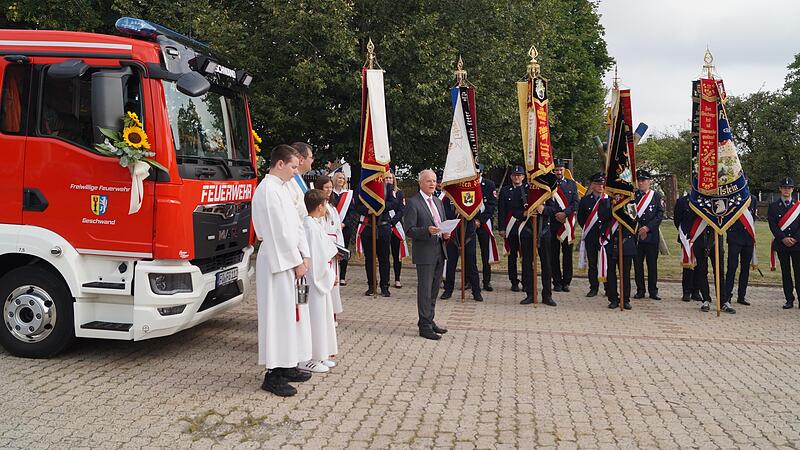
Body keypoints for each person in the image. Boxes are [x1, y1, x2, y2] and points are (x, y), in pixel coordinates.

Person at [252, 144, 313, 397]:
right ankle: (273, 374)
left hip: (289, 258)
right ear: (279, 164)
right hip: (277, 260)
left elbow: (295, 225)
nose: (295, 172)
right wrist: (295, 260)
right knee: (277, 317)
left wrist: (305, 253)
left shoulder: (283, 189)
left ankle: (287, 364)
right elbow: (277, 232)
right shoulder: (267, 191)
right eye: (293, 167)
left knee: (290, 315)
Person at [403, 169, 451, 340]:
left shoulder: (438, 202)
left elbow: (442, 224)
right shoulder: (413, 203)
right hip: (424, 252)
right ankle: (424, 326)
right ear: (420, 183)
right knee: (424, 289)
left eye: (434, 181)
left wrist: (445, 233)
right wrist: (427, 231)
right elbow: (409, 230)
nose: (432, 184)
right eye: (428, 181)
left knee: (434, 288)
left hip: (439, 250)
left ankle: (429, 320)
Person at [300, 189, 339, 374]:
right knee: (313, 319)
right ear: (319, 206)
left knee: (322, 318)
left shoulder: (314, 224)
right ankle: (309, 358)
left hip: (321, 278)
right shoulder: (309, 227)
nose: (327, 208)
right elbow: (315, 258)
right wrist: (328, 275)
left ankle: (321, 354)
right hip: (313, 282)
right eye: (325, 204)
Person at [354, 179, 403, 297]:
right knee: (369, 258)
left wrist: (379, 207)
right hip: (367, 226)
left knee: (384, 258)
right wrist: (368, 210)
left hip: (383, 226)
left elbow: (394, 203)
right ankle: (371, 286)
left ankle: (384, 286)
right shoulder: (362, 186)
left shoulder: (388, 187)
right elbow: (357, 205)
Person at [685, 208, 735, 313]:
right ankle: (706, 299)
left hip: (715, 235)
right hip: (700, 236)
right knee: (702, 270)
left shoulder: (719, 197)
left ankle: (723, 301)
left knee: (719, 271)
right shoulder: (696, 199)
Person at [441, 196, 484, 302]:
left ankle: (476, 292)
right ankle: (448, 290)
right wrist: (456, 212)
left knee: (471, 265)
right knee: (451, 265)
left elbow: (477, 214)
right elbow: (444, 215)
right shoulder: (448, 197)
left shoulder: (469, 195)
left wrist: (476, 219)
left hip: (468, 236)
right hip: (453, 236)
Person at [519, 193, 558, 306]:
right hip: (527, 231)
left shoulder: (546, 192)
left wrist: (544, 209)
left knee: (546, 264)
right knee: (527, 263)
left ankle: (547, 295)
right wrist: (524, 213)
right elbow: (514, 210)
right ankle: (530, 294)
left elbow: (554, 210)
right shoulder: (523, 190)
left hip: (543, 232)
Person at [314, 175, 345, 317]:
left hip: (334, 247)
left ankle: (333, 313)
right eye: (326, 187)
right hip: (324, 250)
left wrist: (340, 248)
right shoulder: (318, 208)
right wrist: (330, 250)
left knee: (334, 282)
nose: (328, 190)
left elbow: (338, 229)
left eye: (330, 187)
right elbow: (319, 232)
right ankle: (325, 314)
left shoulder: (332, 208)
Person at [598, 195, 636, 310]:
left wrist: (622, 206)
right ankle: (613, 298)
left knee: (625, 272)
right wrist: (613, 206)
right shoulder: (604, 202)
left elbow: (633, 219)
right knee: (610, 272)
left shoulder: (630, 202)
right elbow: (602, 217)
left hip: (625, 242)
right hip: (609, 242)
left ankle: (625, 299)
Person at [768, 177, 800, 309]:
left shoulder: (798, 207)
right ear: (780, 189)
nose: (787, 190)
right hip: (782, 244)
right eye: (784, 187)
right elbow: (772, 225)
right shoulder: (773, 206)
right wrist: (783, 238)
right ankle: (789, 299)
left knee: (798, 273)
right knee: (786, 273)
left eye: (789, 188)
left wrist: (795, 238)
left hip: (797, 245)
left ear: (793, 190)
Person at [633, 170, 664, 300]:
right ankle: (640, 290)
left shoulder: (656, 196)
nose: (641, 183)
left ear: (649, 182)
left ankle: (653, 290)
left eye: (643, 180)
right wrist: (639, 228)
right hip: (636, 235)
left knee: (652, 264)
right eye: (639, 181)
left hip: (651, 236)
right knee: (638, 265)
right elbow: (630, 214)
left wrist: (647, 228)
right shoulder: (633, 196)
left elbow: (659, 214)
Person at [550, 159, 580, 292]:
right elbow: (545, 203)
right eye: (556, 169)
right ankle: (556, 281)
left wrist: (565, 213)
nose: (558, 172)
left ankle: (566, 282)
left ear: (564, 170)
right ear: (553, 171)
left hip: (567, 223)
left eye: (561, 169)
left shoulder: (571, 184)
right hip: (553, 223)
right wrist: (557, 214)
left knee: (567, 254)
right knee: (553, 254)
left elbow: (576, 203)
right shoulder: (549, 185)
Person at [725, 192, 758, 307]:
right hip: (735, 238)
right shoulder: (731, 198)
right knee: (732, 268)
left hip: (748, 239)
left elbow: (752, 218)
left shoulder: (752, 198)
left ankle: (741, 295)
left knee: (745, 269)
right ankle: (727, 296)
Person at [577, 172, 607, 297]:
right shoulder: (585, 200)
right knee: (593, 264)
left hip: (605, 237)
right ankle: (593, 288)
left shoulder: (608, 199)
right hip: (591, 236)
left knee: (606, 263)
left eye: (602, 184)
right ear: (592, 185)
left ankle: (608, 288)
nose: (600, 186)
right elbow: (581, 219)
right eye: (597, 184)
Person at [498, 165, 526, 292]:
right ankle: (514, 281)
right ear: (511, 177)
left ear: (523, 177)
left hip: (525, 228)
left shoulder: (528, 189)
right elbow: (501, 211)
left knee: (526, 256)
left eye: (519, 175)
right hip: (511, 228)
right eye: (515, 175)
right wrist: (502, 228)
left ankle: (526, 281)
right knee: (512, 256)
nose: (517, 177)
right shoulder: (505, 190)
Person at [474, 163, 498, 291]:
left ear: (482, 172)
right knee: (470, 253)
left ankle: (486, 281)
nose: (477, 175)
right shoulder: (468, 184)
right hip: (471, 222)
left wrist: (480, 220)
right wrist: (473, 220)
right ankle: (469, 280)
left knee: (485, 253)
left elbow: (491, 206)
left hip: (484, 223)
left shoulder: (489, 185)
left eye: (479, 172)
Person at [331, 170, 356, 286]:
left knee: (343, 250)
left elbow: (352, 212)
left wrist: (344, 223)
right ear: (334, 179)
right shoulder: (330, 193)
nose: (341, 180)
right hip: (331, 228)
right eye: (339, 178)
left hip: (344, 227)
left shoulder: (349, 194)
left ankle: (342, 276)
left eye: (342, 178)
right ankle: (332, 274)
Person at [674, 192, 699, 301]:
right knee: (687, 265)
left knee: (699, 266)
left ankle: (696, 291)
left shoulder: (702, 201)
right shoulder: (682, 201)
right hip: (687, 237)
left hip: (699, 237)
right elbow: (677, 220)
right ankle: (686, 291)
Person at [385, 171, 406, 289]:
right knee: (385, 255)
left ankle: (397, 278)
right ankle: (386, 279)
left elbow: (401, 210)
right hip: (384, 226)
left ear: (394, 180)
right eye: (386, 178)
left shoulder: (399, 193)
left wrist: (393, 222)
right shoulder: (381, 192)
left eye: (390, 178)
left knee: (396, 254)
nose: (388, 180)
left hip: (396, 226)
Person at [287, 142, 315, 219]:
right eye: (311, 157)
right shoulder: (288, 180)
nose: (312, 161)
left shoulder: (299, 178)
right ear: (302, 160)